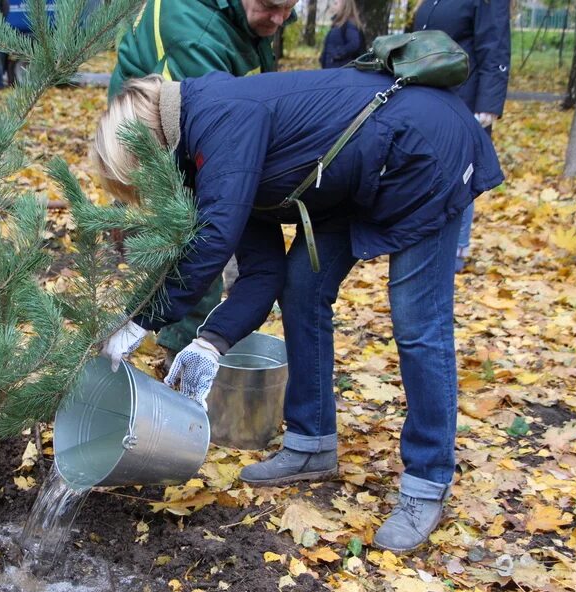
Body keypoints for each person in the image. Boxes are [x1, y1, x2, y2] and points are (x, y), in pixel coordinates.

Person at [95, 69, 503, 553]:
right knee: (301, 286)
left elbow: (214, 238)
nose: (150, 195)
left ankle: (426, 483)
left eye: (139, 180)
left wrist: (140, 320)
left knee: (418, 321)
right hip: (360, 178)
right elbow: (260, 273)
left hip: (425, 152)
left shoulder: (217, 117)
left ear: (147, 149)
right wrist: (211, 342)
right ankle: (312, 443)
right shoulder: (209, 161)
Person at [107, 0, 296, 368]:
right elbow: (212, 204)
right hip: (151, 143)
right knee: (199, 236)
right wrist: (142, 322)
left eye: (289, 8)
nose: (280, 19)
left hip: (217, 136)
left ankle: (183, 341)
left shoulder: (247, 18)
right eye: (270, 7)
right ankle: (176, 348)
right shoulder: (196, 36)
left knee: (226, 237)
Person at [412, 0, 510, 270]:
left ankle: (456, 249)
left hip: (464, 98)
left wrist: (488, 105)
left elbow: (495, 44)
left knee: (459, 176)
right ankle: (427, 239)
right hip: (430, 96)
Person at [319, 0, 365, 69]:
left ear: (344, 5)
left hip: (341, 70)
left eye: (336, 3)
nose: (334, 5)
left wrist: (337, 54)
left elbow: (354, 44)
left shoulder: (349, 24)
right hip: (332, 69)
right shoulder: (338, 23)